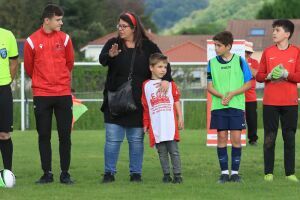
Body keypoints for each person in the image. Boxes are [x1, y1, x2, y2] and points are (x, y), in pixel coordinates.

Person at [99, 12, 172, 183]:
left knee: (136, 140)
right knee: (112, 139)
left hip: (139, 101)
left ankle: (135, 174)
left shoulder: (148, 47)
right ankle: (109, 173)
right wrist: (110, 56)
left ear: (134, 28)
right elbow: (102, 60)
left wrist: (166, 80)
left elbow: (165, 64)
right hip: (114, 100)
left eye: (124, 26)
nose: (120, 29)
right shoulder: (113, 43)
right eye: (119, 26)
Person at [24, 4, 75, 184]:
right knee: (44, 135)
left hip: (63, 93)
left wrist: (60, 82)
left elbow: (69, 63)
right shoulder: (31, 41)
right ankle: (47, 173)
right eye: (58, 20)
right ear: (47, 20)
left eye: (61, 19)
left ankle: (65, 173)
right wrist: (43, 82)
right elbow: (29, 68)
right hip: (42, 94)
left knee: (65, 135)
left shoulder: (66, 39)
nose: (61, 23)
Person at [256, 19, 300, 182]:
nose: (273, 33)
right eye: (273, 30)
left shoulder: (296, 52)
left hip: (290, 103)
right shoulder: (267, 52)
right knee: (269, 138)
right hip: (270, 103)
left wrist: (286, 74)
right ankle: (269, 173)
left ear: (287, 34)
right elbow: (259, 76)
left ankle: (290, 173)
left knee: (289, 138)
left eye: (277, 30)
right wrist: (267, 76)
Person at [207, 31, 252, 183]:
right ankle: (224, 173)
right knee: (221, 137)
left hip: (236, 106)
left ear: (228, 46)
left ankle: (235, 173)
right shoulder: (211, 63)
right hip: (219, 106)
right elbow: (209, 86)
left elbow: (249, 83)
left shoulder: (240, 61)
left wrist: (232, 94)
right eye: (215, 45)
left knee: (236, 139)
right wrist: (221, 96)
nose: (216, 48)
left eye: (218, 45)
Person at [142, 53, 183, 184]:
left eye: (165, 67)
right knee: (162, 152)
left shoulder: (170, 84)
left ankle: (177, 175)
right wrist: (146, 123)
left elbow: (176, 100)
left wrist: (180, 117)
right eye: (159, 66)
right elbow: (146, 107)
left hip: (170, 125)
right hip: (157, 126)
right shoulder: (146, 85)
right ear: (151, 68)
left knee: (174, 152)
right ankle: (166, 175)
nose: (163, 69)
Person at [0, 28, 18, 172]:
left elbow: (13, 63)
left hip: (3, 89)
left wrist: (6, 82)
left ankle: (8, 172)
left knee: (4, 134)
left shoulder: (7, 35)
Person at [244, 41, 259, 145]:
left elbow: (255, 74)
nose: (248, 54)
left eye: (249, 52)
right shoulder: (235, 61)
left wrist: (245, 63)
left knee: (252, 119)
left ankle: (253, 139)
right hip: (236, 96)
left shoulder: (254, 62)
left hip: (250, 97)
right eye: (246, 52)